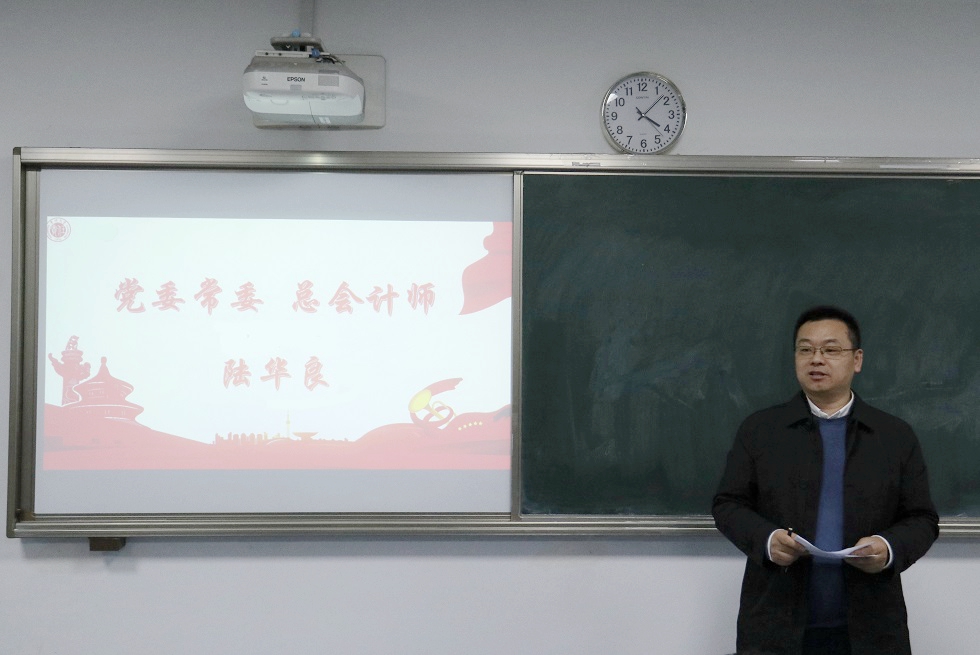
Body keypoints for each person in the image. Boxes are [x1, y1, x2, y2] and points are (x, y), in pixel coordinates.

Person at [712, 305, 939, 655]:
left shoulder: (893, 435)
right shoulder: (760, 430)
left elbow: (922, 518)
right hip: (775, 626)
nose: (816, 359)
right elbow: (728, 504)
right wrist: (767, 540)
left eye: (830, 350)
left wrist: (888, 548)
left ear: (857, 359)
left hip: (871, 629)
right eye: (805, 349)